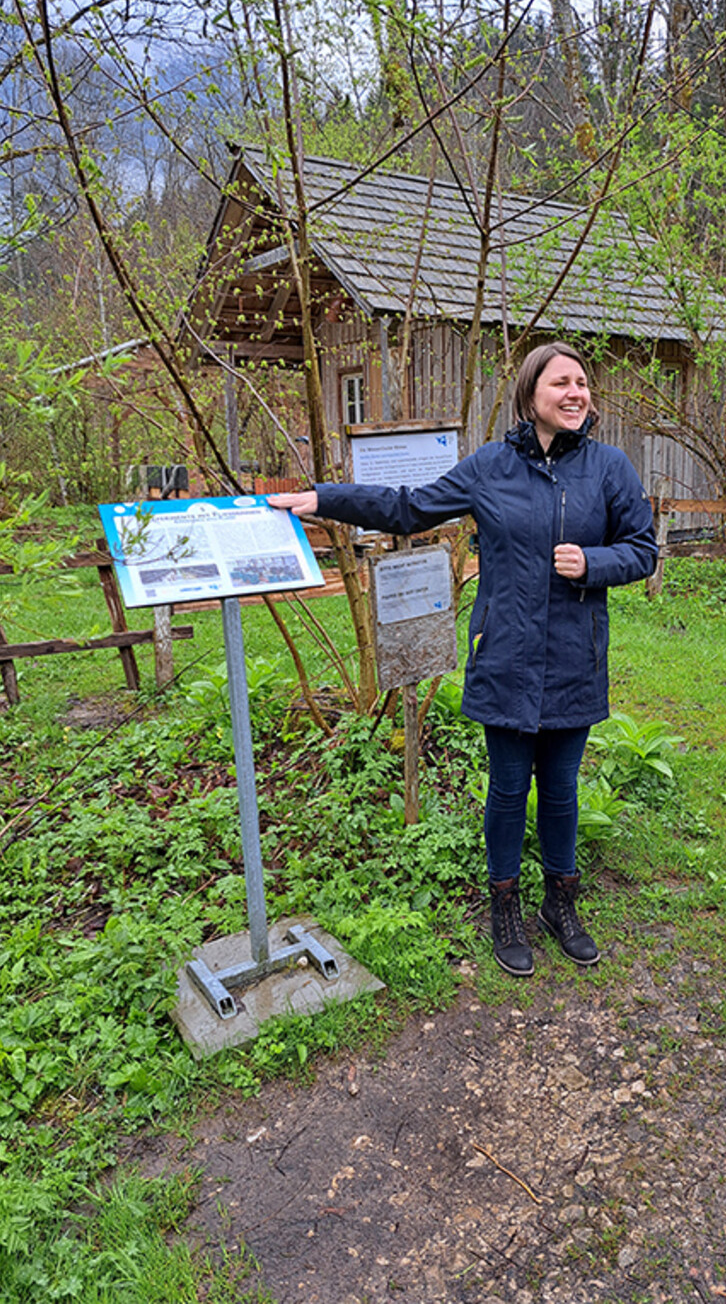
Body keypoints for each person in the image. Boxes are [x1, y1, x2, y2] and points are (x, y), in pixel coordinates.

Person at [270, 341, 658, 976]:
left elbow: (642, 549)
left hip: (574, 658)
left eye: (582, 383)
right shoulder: (491, 468)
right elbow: (407, 506)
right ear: (531, 394)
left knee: (560, 790)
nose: (576, 393)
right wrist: (323, 499)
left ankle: (562, 901)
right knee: (508, 790)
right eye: (561, 382)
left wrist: (595, 562)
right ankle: (504, 904)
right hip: (506, 655)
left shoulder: (609, 469)